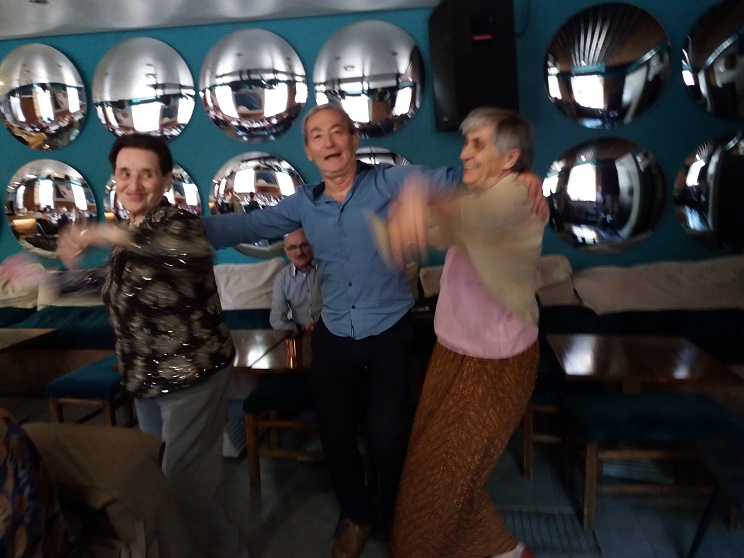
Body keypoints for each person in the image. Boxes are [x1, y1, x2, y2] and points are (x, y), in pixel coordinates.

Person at [201, 103, 547, 558]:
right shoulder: (304, 203)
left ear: (353, 140)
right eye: (318, 135)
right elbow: (244, 225)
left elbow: (459, 181)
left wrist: (526, 176)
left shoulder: (390, 181)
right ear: (309, 150)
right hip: (334, 336)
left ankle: (394, 518)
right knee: (336, 435)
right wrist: (171, 229)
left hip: (390, 332)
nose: (329, 141)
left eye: (337, 131)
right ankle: (357, 517)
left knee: (389, 439)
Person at [55, 134, 246, 558]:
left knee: (180, 482)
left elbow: (186, 252)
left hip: (191, 375)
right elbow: (114, 282)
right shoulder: (131, 231)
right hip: (145, 377)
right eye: (125, 173)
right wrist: (57, 277)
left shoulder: (178, 223)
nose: (134, 183)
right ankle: (228, 548)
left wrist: (101, 232)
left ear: (165, 179)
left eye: (146, 174)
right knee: (170, 478)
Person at [387, 107, 547, 558]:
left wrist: (418, 197)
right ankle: (507, 552)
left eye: (477, 144)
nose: (463, 154)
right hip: (453, 351)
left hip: (495, 365)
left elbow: (471, 219)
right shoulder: (482, 195)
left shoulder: (517, 196)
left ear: (510, 158)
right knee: (440, 470)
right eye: (466, 143)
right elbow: (438, 228)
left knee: (437, 479)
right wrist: (404, 218)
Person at [270, 228, 322, 334]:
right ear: (286, 252)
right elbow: (277, 320)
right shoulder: (282, 279)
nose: (299, 252)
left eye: (304, 245)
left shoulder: (328, 270)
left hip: (333, 332)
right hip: (301, 334)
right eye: (293, 247)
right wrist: (299, 330)